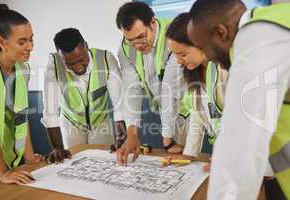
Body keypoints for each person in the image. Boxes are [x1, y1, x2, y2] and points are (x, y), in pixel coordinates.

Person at [187, 0, 290, 199]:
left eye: (204, 47)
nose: (207, 57)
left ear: (221, 33)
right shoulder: (276, 23)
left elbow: (240, 150)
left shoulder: (255, 40)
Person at [42, 28, 126, 163]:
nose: (77, 67)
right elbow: (50, 113)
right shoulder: (53, 63)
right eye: (70, 64)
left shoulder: (106, 59)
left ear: (86, 46)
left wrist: (121, 139)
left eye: (81, 60)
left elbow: (119, 104)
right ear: (60, 57)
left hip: (100, 121)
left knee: (105, 163)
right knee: (74, 164)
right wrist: (57, 147)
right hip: (71, 123)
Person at [116, 1, 185, 166]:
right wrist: (132, 133)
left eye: (141, 36)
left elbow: (170, 90)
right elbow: (131, 90)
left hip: (187, 112)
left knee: (188, 165)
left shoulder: (174, 34)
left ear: (153, 23)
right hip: (163, 111)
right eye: (130, 40)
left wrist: (167, 140)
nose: (137, 45)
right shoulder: (125, 49)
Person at [163, 13, 228, 170]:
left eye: (183, 54)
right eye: (175, 55)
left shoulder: (225, 69)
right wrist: (189, 154)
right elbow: (197, 115)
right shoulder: (194, 72)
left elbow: (241, 122)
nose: (179, 61)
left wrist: (227, 154)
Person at [0, 4, 41, 184]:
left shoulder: (23, 70)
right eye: (22, 42)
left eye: (31, 39)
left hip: (10, 164)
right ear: (2, 42)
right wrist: (2, 172)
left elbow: (21, 116)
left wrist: (29, 156)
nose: (30, 47)